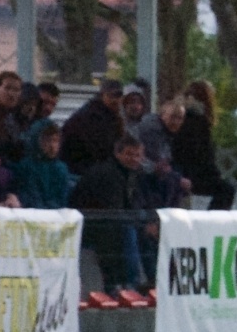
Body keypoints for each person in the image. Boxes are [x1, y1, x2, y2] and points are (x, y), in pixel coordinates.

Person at [70, 133, 148, 292]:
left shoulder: (134, 174)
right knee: (127, 232)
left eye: (137, 155)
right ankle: (126, 285)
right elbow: (112, 210)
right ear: (117, 153)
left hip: (111, 223)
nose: (134, 159)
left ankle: (148, 283)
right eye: (129, 154)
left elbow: (137, 203)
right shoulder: (108, 174)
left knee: (147, 232)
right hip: (93, 225)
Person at [171, 80, 235, 210]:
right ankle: (213, 219)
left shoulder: (185, 118)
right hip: (192, 173)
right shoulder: (198, 122)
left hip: (182, 170)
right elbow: (201, 154)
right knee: (226, 190)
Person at [61, 78, 125, 176]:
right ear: (102, 95)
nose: (115, 100)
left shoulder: (111, 115)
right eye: (111, 96)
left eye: (118, 96)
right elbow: (100, 150)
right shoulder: (92, 116)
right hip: (81, 168)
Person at [12, 121, 71, 210]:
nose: (52, 146)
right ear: (37, 141)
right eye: (47, 140)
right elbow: (30, 195)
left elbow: (62, 198)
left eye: (55, 141)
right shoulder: (27, 166)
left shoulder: (61, 168)